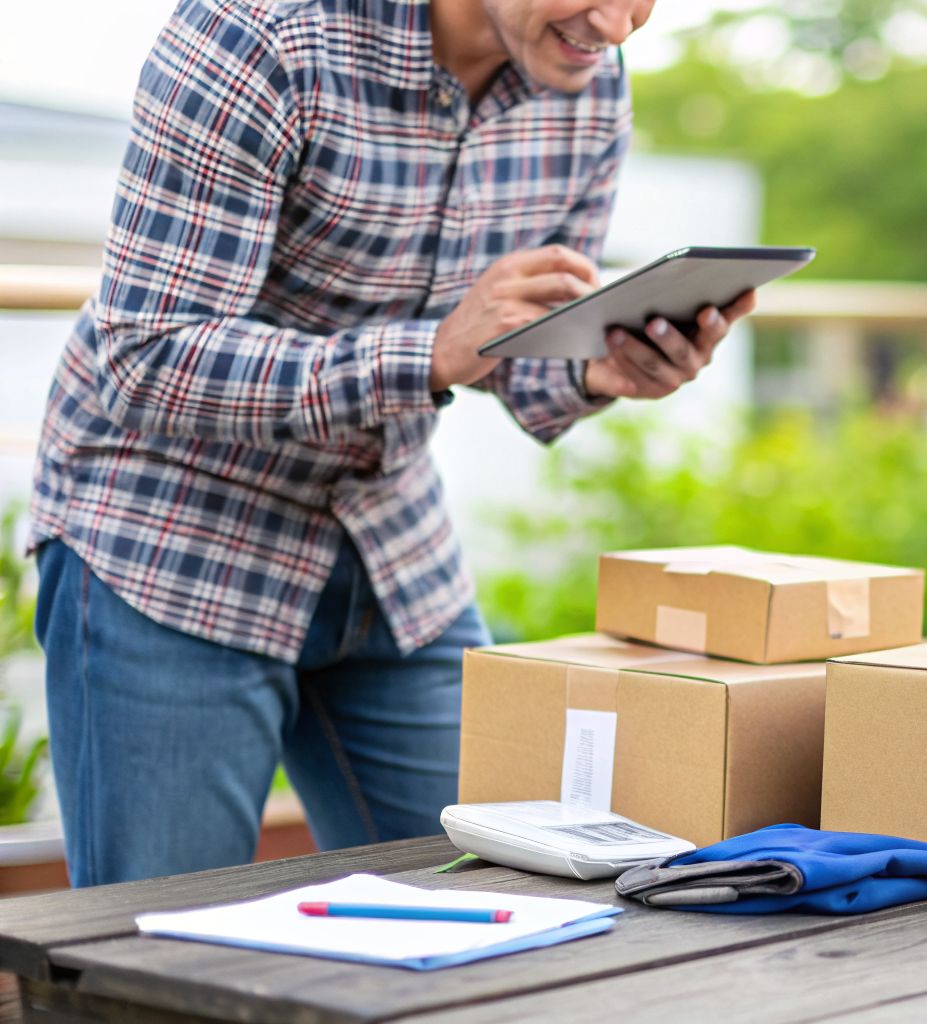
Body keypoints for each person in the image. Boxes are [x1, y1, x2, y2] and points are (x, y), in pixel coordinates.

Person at [28, 0, 748, 886]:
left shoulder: (587, 85)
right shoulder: (260, 36)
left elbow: (509, 346)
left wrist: (599, 371)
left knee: (504, 896)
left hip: (388, 543)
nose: (618, 23)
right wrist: (432, 351)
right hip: (172, 541)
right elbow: (149, 358)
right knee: (158, 952)